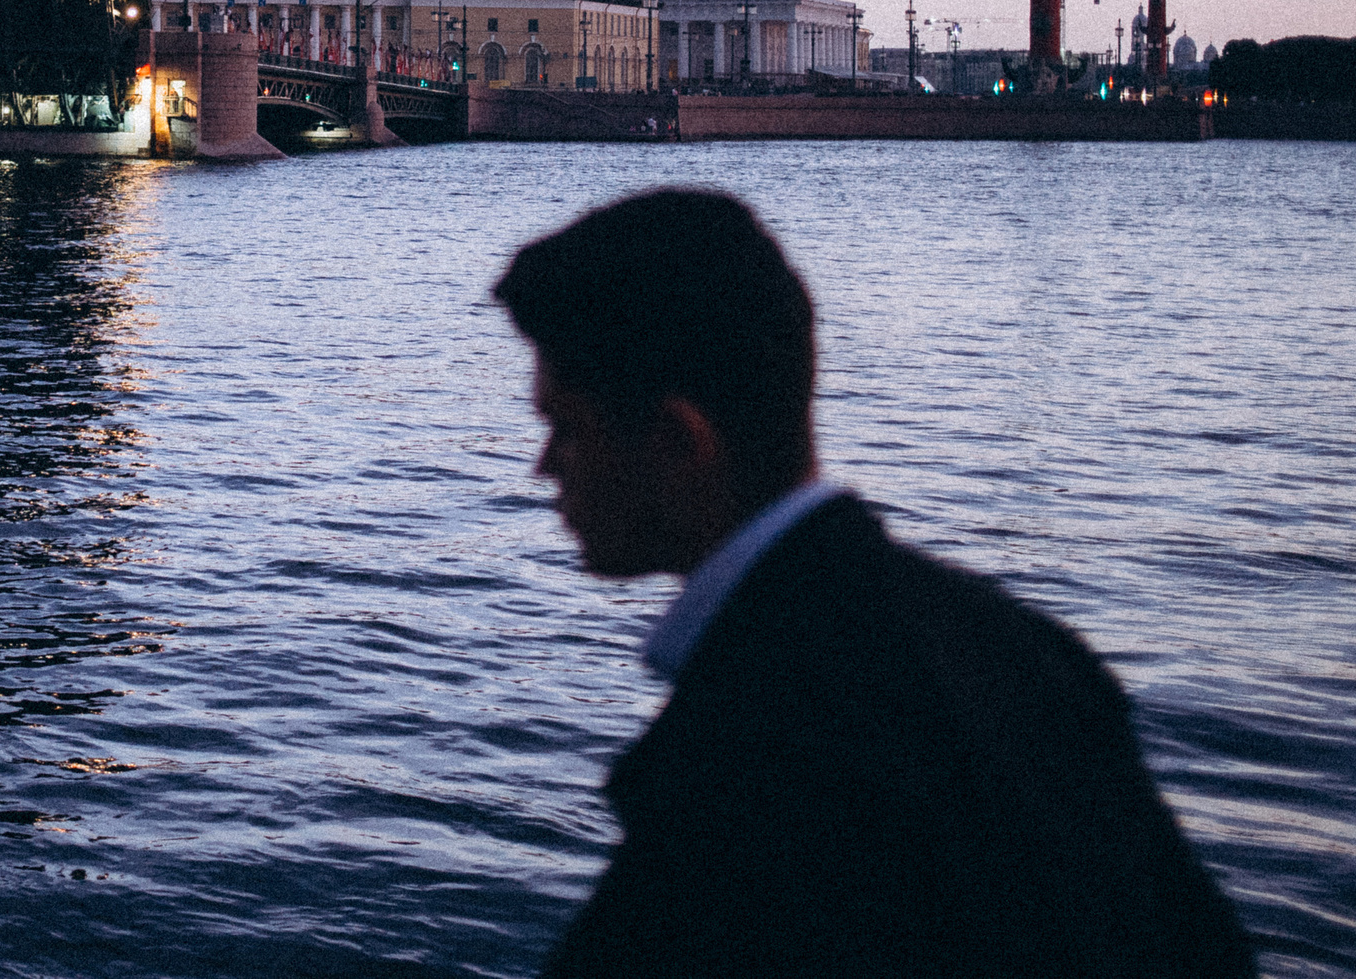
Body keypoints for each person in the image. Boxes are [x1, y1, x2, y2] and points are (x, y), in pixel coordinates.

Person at [494, 188, 1254, 978]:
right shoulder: (1027, 651)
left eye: (567, 427)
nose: (543, 466)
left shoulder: (759, 765)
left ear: (681, 441)